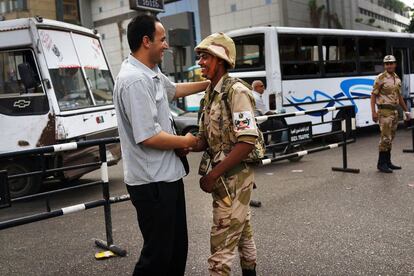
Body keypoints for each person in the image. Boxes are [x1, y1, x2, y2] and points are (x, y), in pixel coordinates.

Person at [113, 14, 210, 276]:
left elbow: (174, 90)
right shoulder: (134, 80)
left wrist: (211, 83)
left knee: (177, 249)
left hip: (167, 177)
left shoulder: (151, 72)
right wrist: (187, 140)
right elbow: (148, 136)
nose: (166, 44)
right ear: (146, 41)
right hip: (151, 182)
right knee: (157, 256)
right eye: (162, 39)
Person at [191, 32, 258, 276]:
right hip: (223, 179)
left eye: (205, 57)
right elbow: (204, 140)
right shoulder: (210, 94)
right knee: (242, 233)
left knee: (221, 248)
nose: (200, 62)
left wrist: (213, 175)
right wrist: (183, 144)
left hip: (234, 179)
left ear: (220, 59)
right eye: (200, 57)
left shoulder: (237, 92)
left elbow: (247, 141)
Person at [370, 55, 410, 173]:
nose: (389, 65)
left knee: (391, 137)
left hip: (394, 111)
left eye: (391, 63)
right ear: (384, 65)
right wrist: (373, 112)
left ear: (395, 64)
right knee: (385, 138)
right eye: (387, 64)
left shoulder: (397, 79)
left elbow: (399, 96)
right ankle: (381, 164)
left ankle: (388, 162)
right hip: (384, 112)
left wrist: (406, 110)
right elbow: (373, 95)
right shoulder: (380, 78)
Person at [252, 80, 284, 144]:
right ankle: (274, 144)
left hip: (256, 120)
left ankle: (266, 144)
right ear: (256, 87)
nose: (263, 88)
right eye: (261, 86)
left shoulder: (253, 94)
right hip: (258, 122)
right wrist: (276, 114)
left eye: (263, 86)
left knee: (268, 123)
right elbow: (266, 112)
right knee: (278, 124)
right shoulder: (256, 97)